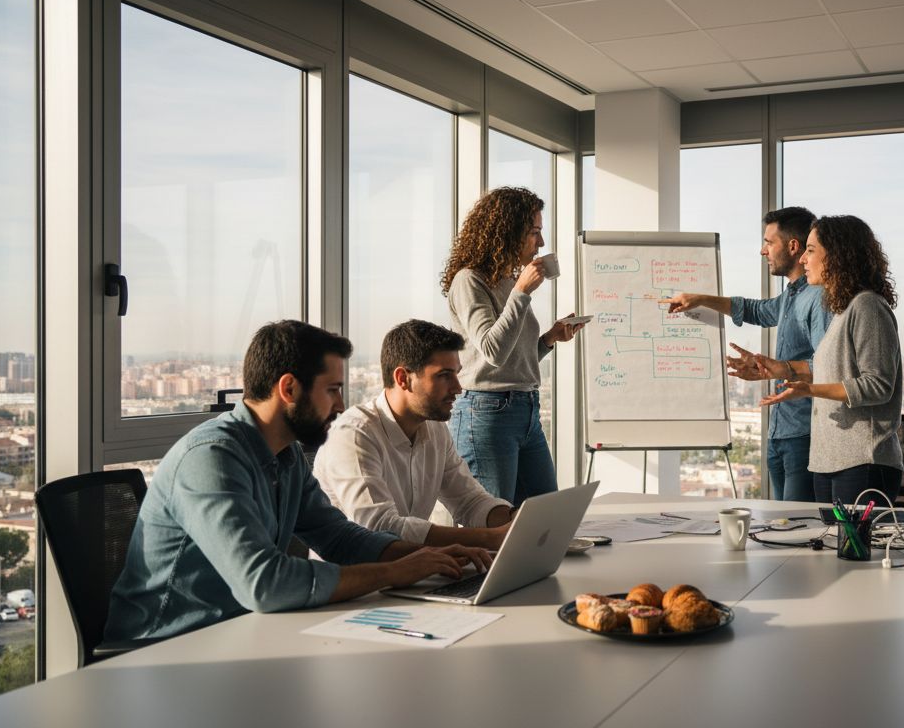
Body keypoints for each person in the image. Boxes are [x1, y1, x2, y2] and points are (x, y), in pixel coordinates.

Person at [106, 320, 492, 642]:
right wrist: (394, 572)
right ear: (289, 389)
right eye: (332, 390)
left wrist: (422, 557)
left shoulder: (285, 454)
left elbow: (338, 537)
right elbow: (264, 583)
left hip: (242, 632)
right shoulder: (210, 459)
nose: (340, 405)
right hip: (165, 647)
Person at [659, 207, 830, 502]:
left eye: (769, 242)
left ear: (793, 246)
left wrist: (780, 368)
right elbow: (756, 310)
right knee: (782, 522)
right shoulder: (792, 295)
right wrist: (700, 299)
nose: (763, 251)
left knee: (797, 523)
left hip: (805, 433)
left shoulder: (817, 297)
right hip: (781, 432)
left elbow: (829, 367)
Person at [313, 319, 514, 549]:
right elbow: (379, 527)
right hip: (359, 570)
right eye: (444, 375)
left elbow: (469, 502)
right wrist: (488, 538)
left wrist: (514, 519)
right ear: (403, 379)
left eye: (456, 374)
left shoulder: (436, 430)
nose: (458, 388)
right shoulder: (354, 434)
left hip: (415, 566)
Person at [441, 186, 585, 505]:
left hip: (525, 408)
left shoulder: (507, 280)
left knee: (545, 514)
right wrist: (521, 292)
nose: (541, 243)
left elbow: (512, 359)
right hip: (487, 412)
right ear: (507, 232)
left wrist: (549, 338)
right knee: (491, 521)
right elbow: (493, 351)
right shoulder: (469, 280)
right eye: (534, 232)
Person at [758, 215, 903, 507]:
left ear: (838, 256)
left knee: (852, 539)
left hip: (862, 461)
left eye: (811, 250)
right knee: (826, 539)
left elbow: (877, 385)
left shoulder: (867, 306)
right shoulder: (841, 312)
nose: (803, 259)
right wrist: (784, 371)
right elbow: (835, 373)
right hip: (828, 461)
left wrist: (810, 390)